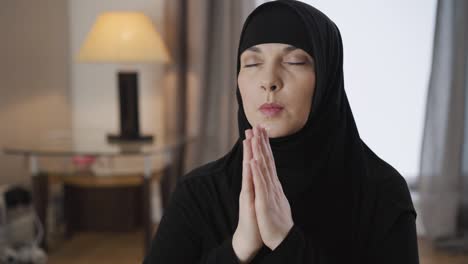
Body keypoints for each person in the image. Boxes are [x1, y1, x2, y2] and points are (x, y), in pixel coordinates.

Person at [142, 0, 419, 263]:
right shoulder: (199, 193)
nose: (269, 81)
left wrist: (285, 240)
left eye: (294, 61)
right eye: (252, 63)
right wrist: (238, 247)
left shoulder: (382, 193)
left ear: (327, 79)